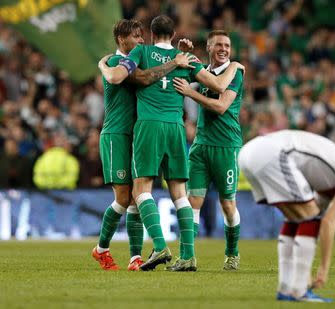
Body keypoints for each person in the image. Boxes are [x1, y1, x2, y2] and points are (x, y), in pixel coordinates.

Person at [98, 15, 245, 271]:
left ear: (152, 35)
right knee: (180, 194)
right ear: (174, 34)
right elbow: (219, 85)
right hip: (177, 128)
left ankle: (159, 246)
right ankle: (187, 256)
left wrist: (103, 65)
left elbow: (122, 76)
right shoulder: (187, 59)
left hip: (149, 125)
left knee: (141, 189)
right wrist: (234, 67)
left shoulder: (141, 52)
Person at [92, 19, 196, 271]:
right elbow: (145, 78)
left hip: (138, 134)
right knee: (125, 197)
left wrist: (176, 51)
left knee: (137, 199)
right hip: (117, 135)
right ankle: (101, 249)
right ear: (121, 40)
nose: (140, 40)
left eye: (142, 36)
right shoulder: (118, 63)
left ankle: (135, 257)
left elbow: (155, 68)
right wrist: (174, 60)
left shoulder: (139, 57)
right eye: (135, 37)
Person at [238, 130, 335, 302]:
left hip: (249, 153)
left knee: (296, 218)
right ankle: (299, 291)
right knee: (311, 217)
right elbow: (328, 222)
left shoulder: (329, 184)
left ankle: (285, 288)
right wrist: (323, 268)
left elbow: (312, 216)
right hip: (271, 153)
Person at [172, 30, 244, 270]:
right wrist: (182, 52)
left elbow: (221, 106)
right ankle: (187, 257)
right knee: (193, 201)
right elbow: (176, 69)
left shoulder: (235, 74)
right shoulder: (202, 72)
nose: (224, 49)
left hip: (226, 146)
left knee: (227, 205)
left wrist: (191, 93)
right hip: (201, 146)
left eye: (228, 46)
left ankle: (232, 253)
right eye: (219, 45)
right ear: (209, 48)